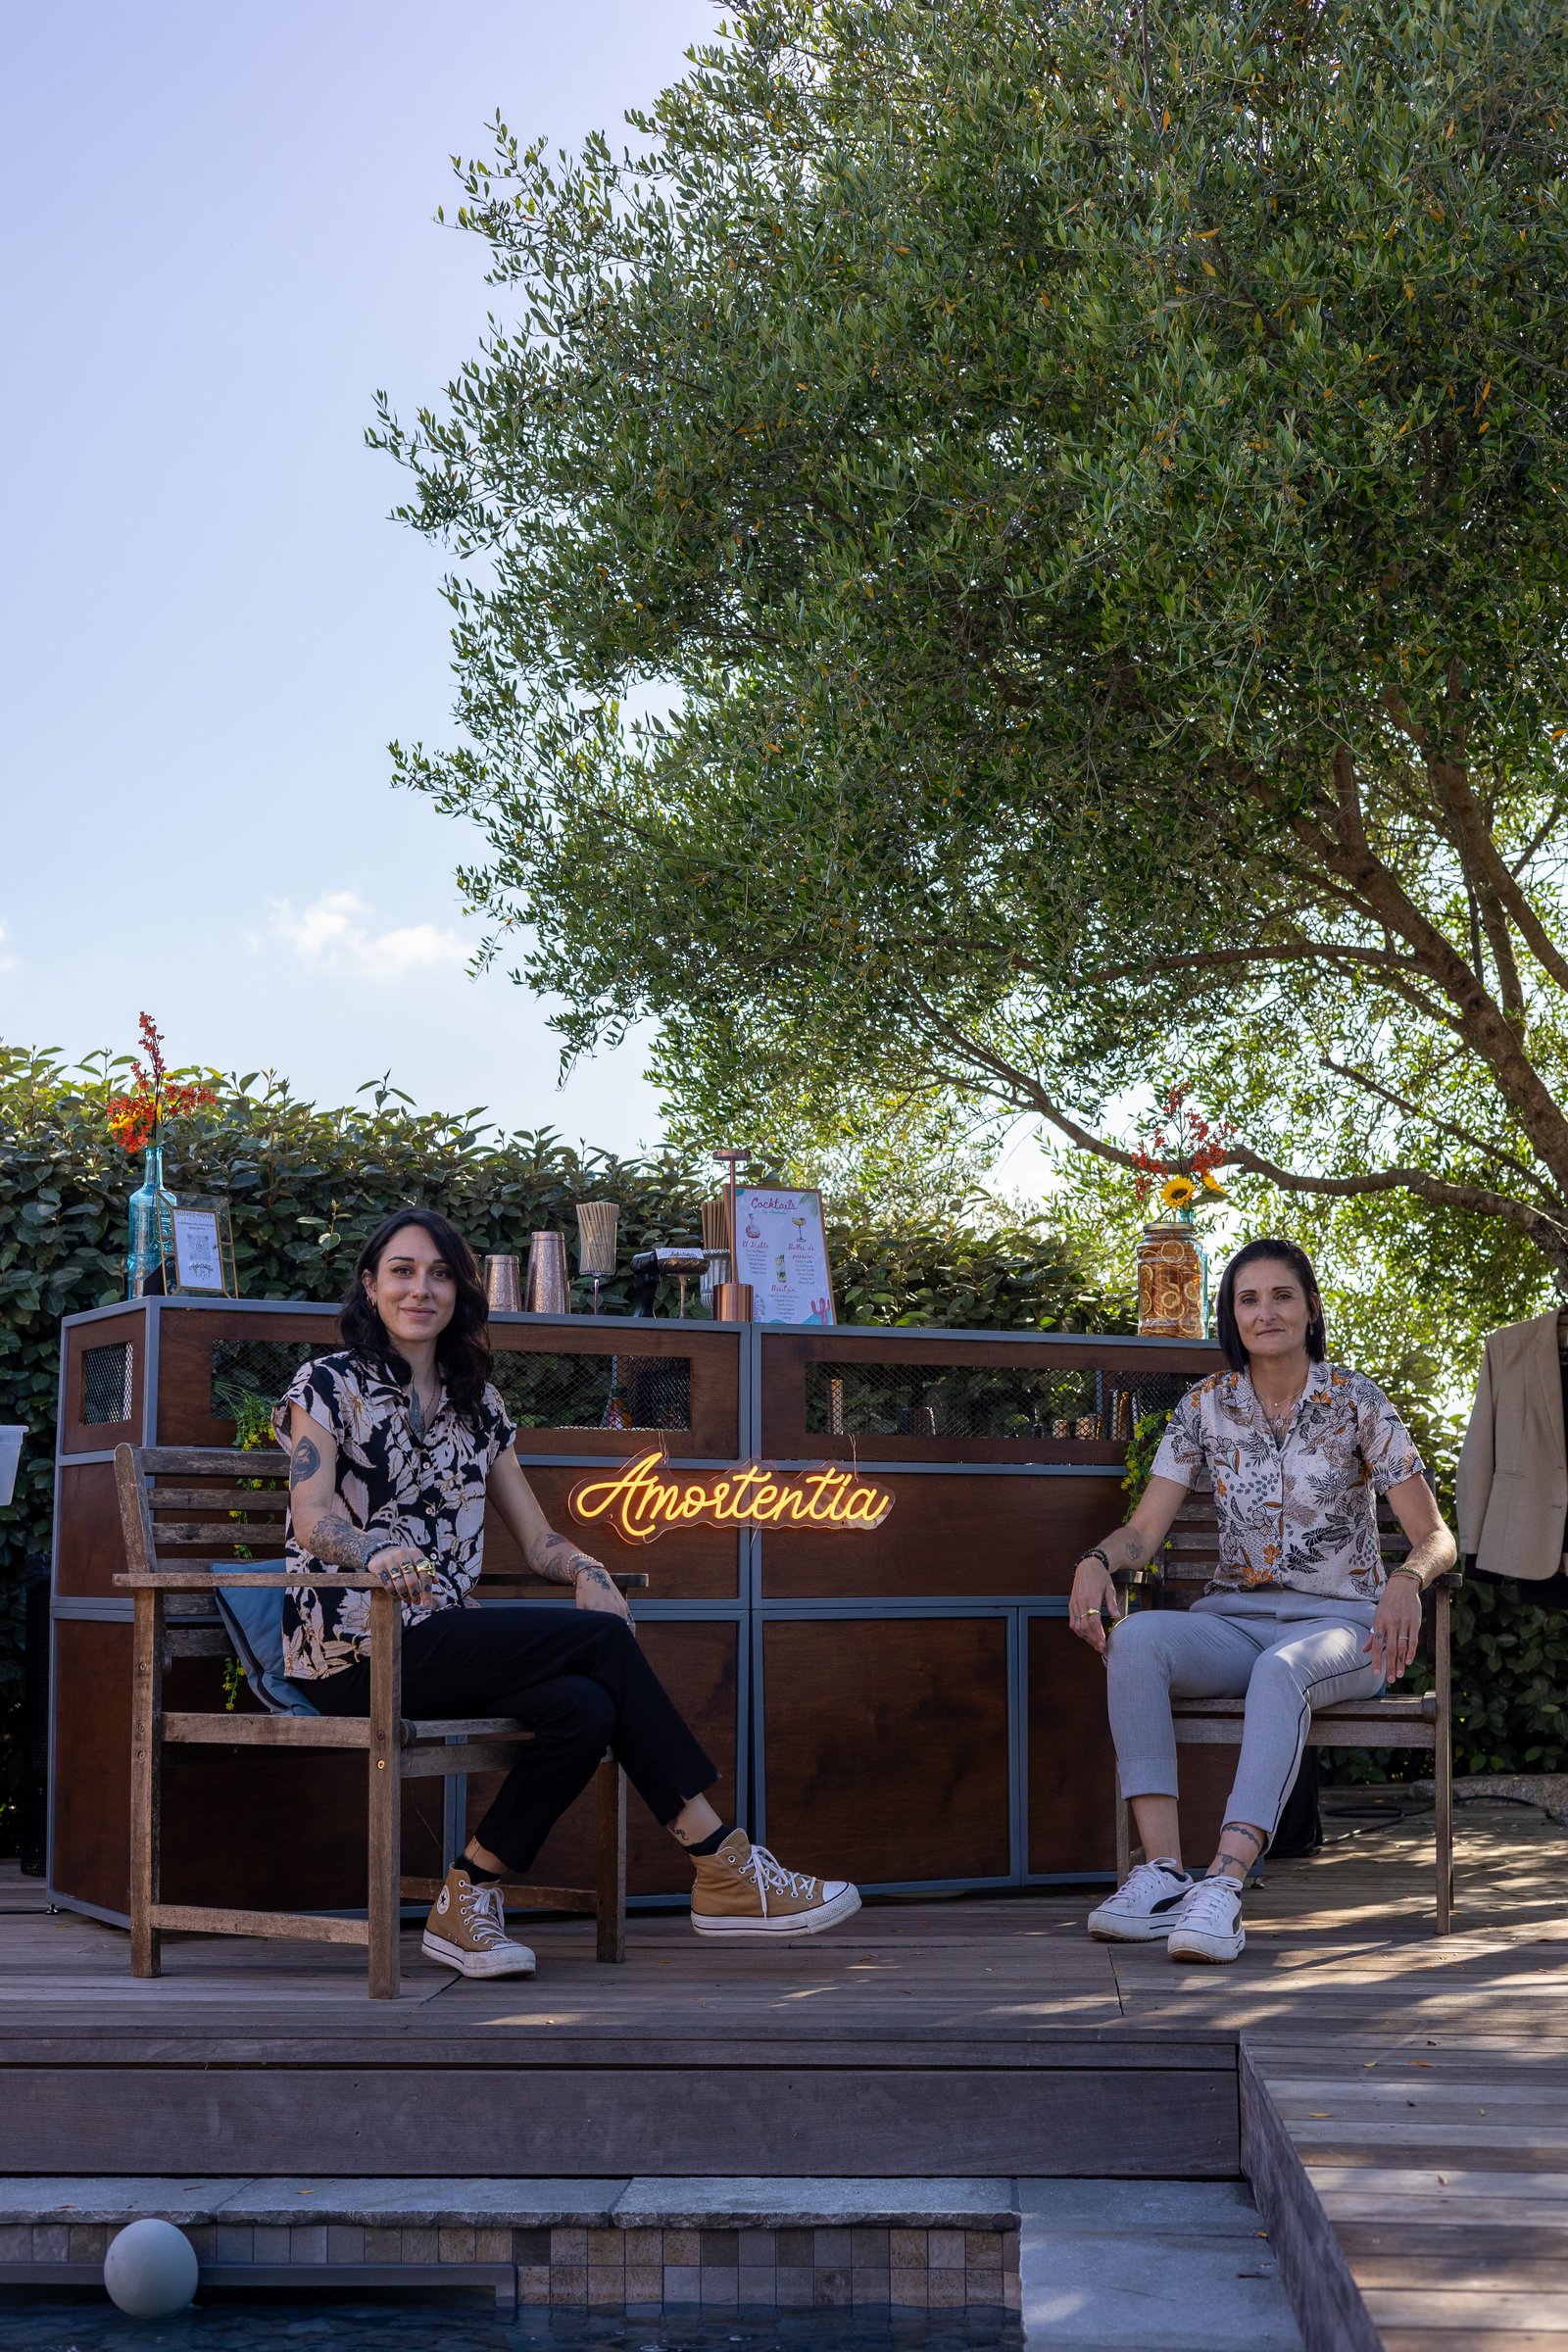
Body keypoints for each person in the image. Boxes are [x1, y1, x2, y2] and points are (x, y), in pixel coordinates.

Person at [276, 1207, 859, 1978]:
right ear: (370, 1285)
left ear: (459, 1292)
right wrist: (376, 1548)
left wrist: (589, 1571)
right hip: (352, 1651)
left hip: (444, 1640)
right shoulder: (326, 1385)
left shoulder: (478, 1406)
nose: (422, 1289)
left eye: (440, 1274)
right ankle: (722, 1862)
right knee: (600, 1643)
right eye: (403, 1272)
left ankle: (467, 1895)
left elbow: (539, 1539)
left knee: (585, 1708)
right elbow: (312, 1517)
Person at [1069, 1237, 1455, 1965]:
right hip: (1237, 1624)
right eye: (1248, 1299)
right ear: (1232, 1315)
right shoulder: (1205, 1407)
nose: (1265, 1312)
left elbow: (1436, 1536)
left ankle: (1223, 1883)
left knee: (1283, 1670)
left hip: (1344, 1629)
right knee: (1137, 1641)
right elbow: (1143, 1533)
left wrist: (1407, 1579)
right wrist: (1096, 1562)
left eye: (1281, 1296)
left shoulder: (1356, 1401)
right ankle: (1164, 1875)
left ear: (1310, 1310)